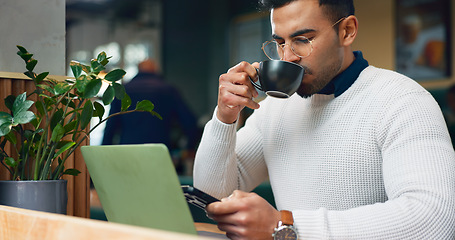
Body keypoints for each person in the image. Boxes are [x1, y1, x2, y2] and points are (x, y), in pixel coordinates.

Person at [193, 0, 455, 239]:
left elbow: (435, 220)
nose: (288, 57)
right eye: (280, 42)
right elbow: (214, 196)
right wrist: (225, 118)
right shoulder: (274, 109)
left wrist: (285, 227)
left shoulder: (403, 100)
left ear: (347, 31)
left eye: (303, 39)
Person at [102, 59, 200, 172]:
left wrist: (105, 159)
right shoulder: (168, 90)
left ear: (138, 70)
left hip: (127, 153)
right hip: (159, 153)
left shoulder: (124, 90)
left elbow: (110, 126)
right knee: (157, 188)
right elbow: (190, 122)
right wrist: (189, 148)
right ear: (155, 70)